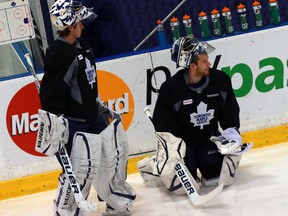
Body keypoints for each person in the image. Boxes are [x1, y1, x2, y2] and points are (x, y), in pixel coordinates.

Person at [37, 0, 136, 215]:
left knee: (112, 157)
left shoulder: (84, 45)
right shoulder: (59, 53)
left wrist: (98, 104)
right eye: (79, 20)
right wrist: (56, 122)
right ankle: (66, 208)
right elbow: (52, 93)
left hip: (93, 116)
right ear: (69, 25)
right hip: (73, 123)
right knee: (79, 169)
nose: (83, 24)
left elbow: (87, 82)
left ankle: (113, 199)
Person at [137, 36, 251, 194]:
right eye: (204, 61)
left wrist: (231, 132)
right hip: (183, 145)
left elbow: (229, 111)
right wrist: (172, 149)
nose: (209, 64)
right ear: (192, 65)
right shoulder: (171, 89)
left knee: (215, 178)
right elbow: (163, 125)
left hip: (208, 138)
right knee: (180, 188)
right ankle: (153, 164)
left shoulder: (220, 80)